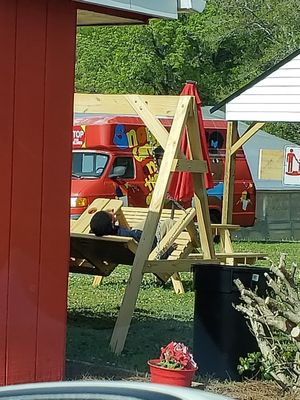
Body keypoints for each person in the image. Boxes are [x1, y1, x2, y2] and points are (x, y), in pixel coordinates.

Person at [90, 209, 176, 259]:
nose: (112, 213)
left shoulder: (107, 235)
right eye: (109, 215)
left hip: (131, 248)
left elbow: (125, 233)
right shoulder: (125, 235)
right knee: (169, 223)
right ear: (112, 223)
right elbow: (146, 240)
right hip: (148, 243)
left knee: (148, 221)